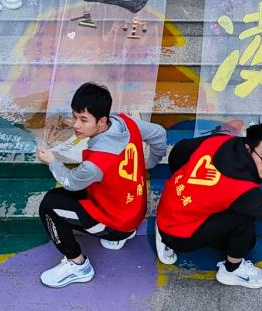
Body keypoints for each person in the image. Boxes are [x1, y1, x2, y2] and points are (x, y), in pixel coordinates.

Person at [34, 83, 167, 288]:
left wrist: (52, 162)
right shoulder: (124, 122)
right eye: (75, 117)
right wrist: (150, 162)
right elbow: (159, 133)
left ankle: (78, 265)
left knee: (49, 205)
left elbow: (70, 182)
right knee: (87, 189)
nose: (76, 125)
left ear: (102, 120)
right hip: (132, 209)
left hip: (117, 223)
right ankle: (123, 233)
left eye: (83, 119)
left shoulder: (96, 163)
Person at [154, 122, 262, 288]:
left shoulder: (220, 140)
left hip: (169, 205)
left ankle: (165, 227)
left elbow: (180, 150)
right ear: (248, 148)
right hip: (178, 236)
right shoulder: (244, 189)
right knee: (246, 219)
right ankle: (232, 270)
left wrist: (184, 178)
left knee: (247, 240)